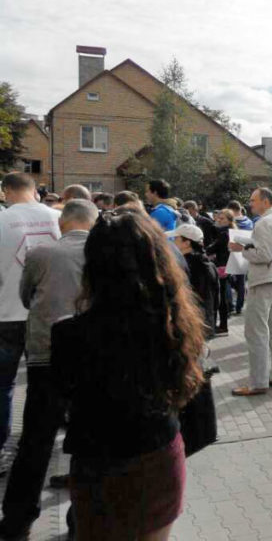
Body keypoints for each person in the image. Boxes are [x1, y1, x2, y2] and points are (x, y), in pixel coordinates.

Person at [51, 211, 205, 541]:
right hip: (158, 452)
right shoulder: (175, 324)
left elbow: (59, 400)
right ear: (158, 262)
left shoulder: (68, 333)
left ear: (93, 266)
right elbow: (186, 385)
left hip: (96, 461)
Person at [0, 200, 95, 539]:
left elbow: (26, 299)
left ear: (64, 224)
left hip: (46, 355)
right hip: (92, 358)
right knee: (88, 440)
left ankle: (16, 523)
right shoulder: (106, 255)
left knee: (35, 442)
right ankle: (80, 522)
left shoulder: (41, 254)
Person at [0, 173, 61, 459]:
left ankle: (2, 448)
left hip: (7, 314)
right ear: (34, 190)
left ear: (5, 192)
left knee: (4, 384)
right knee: (50, 383)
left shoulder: (1, 220)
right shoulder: (59, 218)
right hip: (51, 314)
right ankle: (43, 445)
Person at [229, 188, 272, 397]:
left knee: (256, 331)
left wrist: (242, 249)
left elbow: (264, 254)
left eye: (253, 200)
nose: (250, 204)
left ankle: (258, 382)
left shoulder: (265, 222)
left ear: (265, 201)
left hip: (264, 279)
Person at [170, 224, 218, 338]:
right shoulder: (207, 263)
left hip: (193, 326)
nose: (172, 242)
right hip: (204, 324)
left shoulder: (189, 265)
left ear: (187, 243)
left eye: (176, 239)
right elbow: (216, 299)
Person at [209, 209, 234, 334]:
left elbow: (215, 247)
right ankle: (223, 324)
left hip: (222, 266)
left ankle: (223, 325)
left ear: (229, 220)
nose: (219, 220)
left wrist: (206, 250)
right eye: (218, 218)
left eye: (222, 218)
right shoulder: (226, 231)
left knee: (221, 297)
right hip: (226, 266)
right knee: (223, 296)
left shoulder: (224, 233)